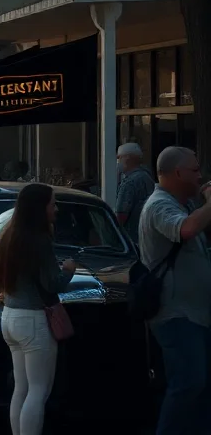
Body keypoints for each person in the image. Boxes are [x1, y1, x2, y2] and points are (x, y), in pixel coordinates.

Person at [0, 183, 76, 435]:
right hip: (34, 320)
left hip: (10, 315)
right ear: (40, 208)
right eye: (52, 203)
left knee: (22, 388)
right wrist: (68, 270)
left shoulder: (9, 236)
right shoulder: (39, 241)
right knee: (39, 391)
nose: (56, 209)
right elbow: (52, 283)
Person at [138, 146, 211, 435]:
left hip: (196, 315)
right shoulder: (160, 205)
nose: (200, 176)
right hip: (176, 315)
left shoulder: (185, 205)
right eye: (194, 171)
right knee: (189, 383)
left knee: (201, 386)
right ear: (177, 173)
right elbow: (185, 231)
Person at [114, 142, 153, 245]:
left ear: (127, 158)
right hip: (147, 238)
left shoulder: (129, 183)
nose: (117, 162)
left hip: (131, 241)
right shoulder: (147, 177)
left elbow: (120, 216)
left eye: (119, 158)